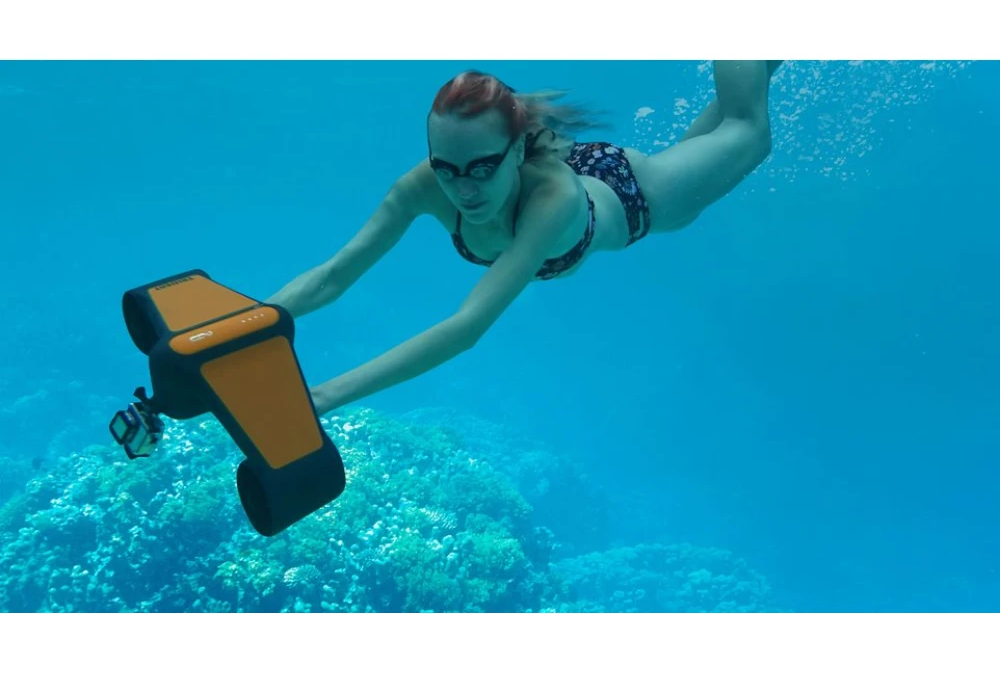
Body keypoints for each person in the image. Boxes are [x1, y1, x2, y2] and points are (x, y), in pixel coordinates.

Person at [267, 61, 783, 415]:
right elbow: (334, 276)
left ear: (515, 152)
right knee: (733, 107)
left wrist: (322, 397)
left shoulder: (551, 202)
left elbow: (467, 327)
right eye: (446, 169)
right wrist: (253, 320)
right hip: (572, 174)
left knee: (747, 128)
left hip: (638, 195)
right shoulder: (421, 187)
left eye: (481, 169)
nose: (464, 190)